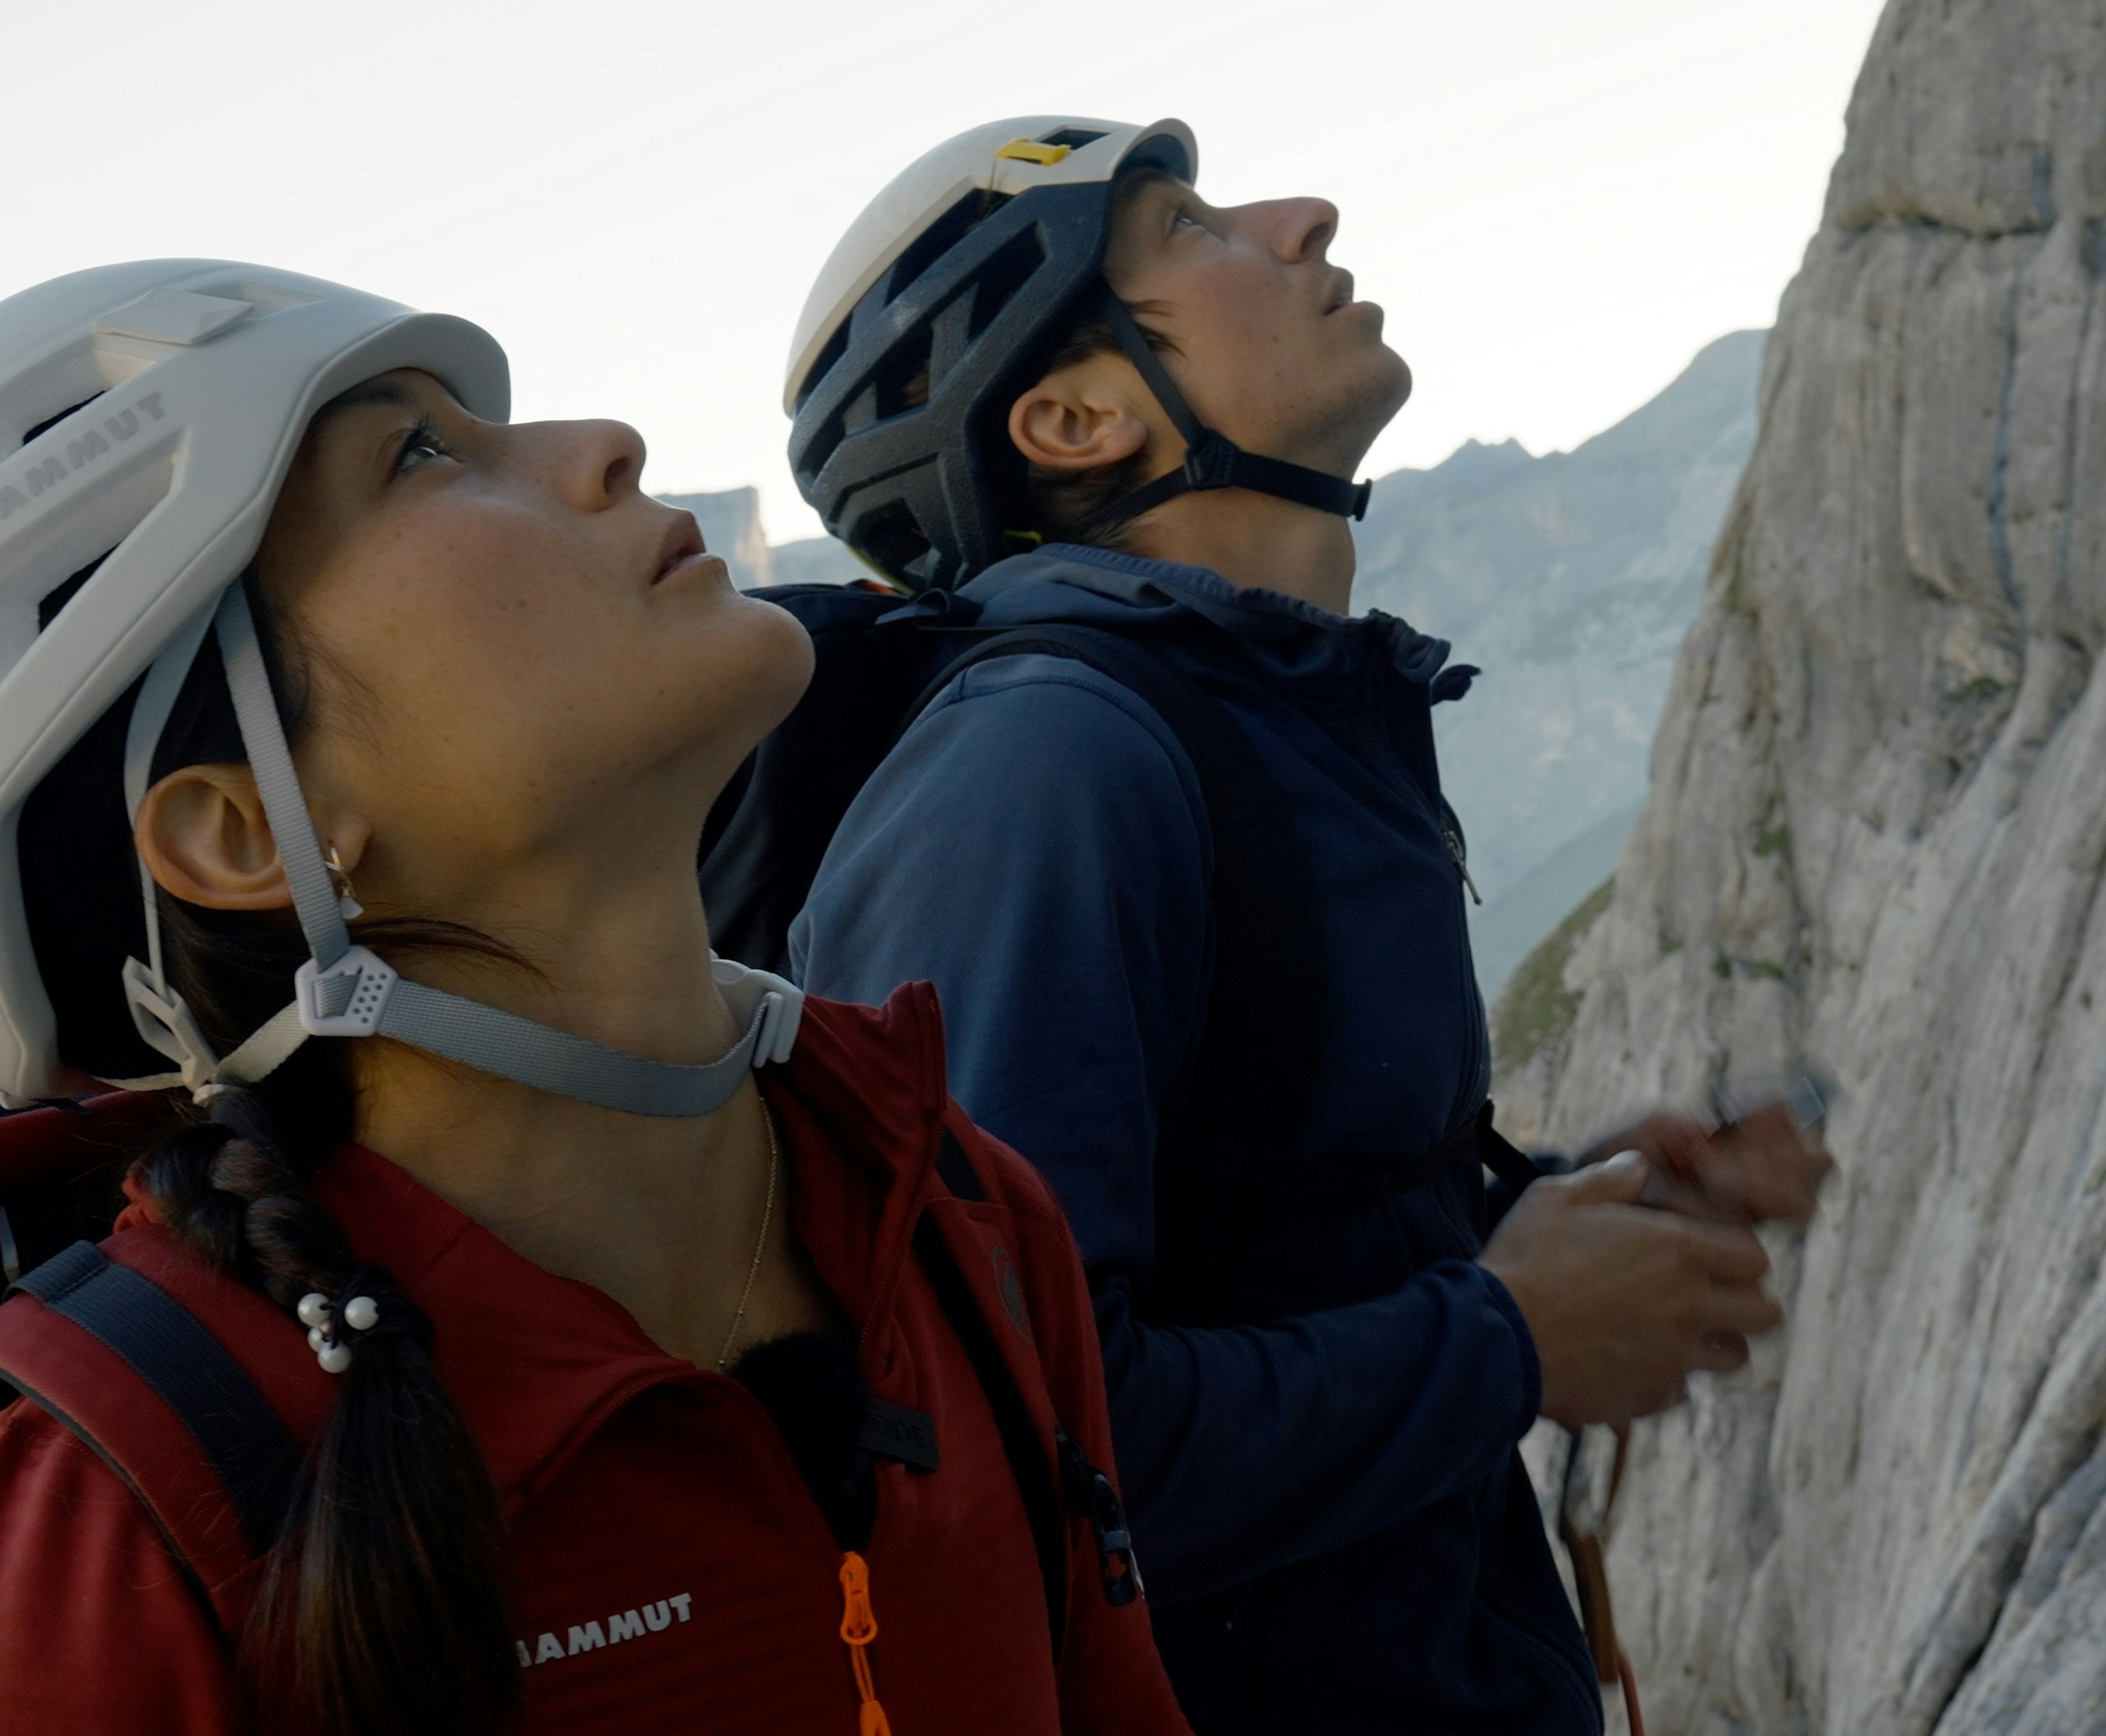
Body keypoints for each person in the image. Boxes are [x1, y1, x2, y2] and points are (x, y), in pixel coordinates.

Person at [0, 259, 1189, 1735]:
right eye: (416, 453)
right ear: (243, 827)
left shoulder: (949, 1211)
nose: (605, 442)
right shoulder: (98, 1547)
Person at [780, 118, 1833, 1734]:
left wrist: (1555, 1213)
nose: (1298, 216)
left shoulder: (1255, 712)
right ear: (1075, 417)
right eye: (1186, 229)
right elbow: (1007, 1446)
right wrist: (1504, 1338)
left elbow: (1252, 1261)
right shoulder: (1047, 768)